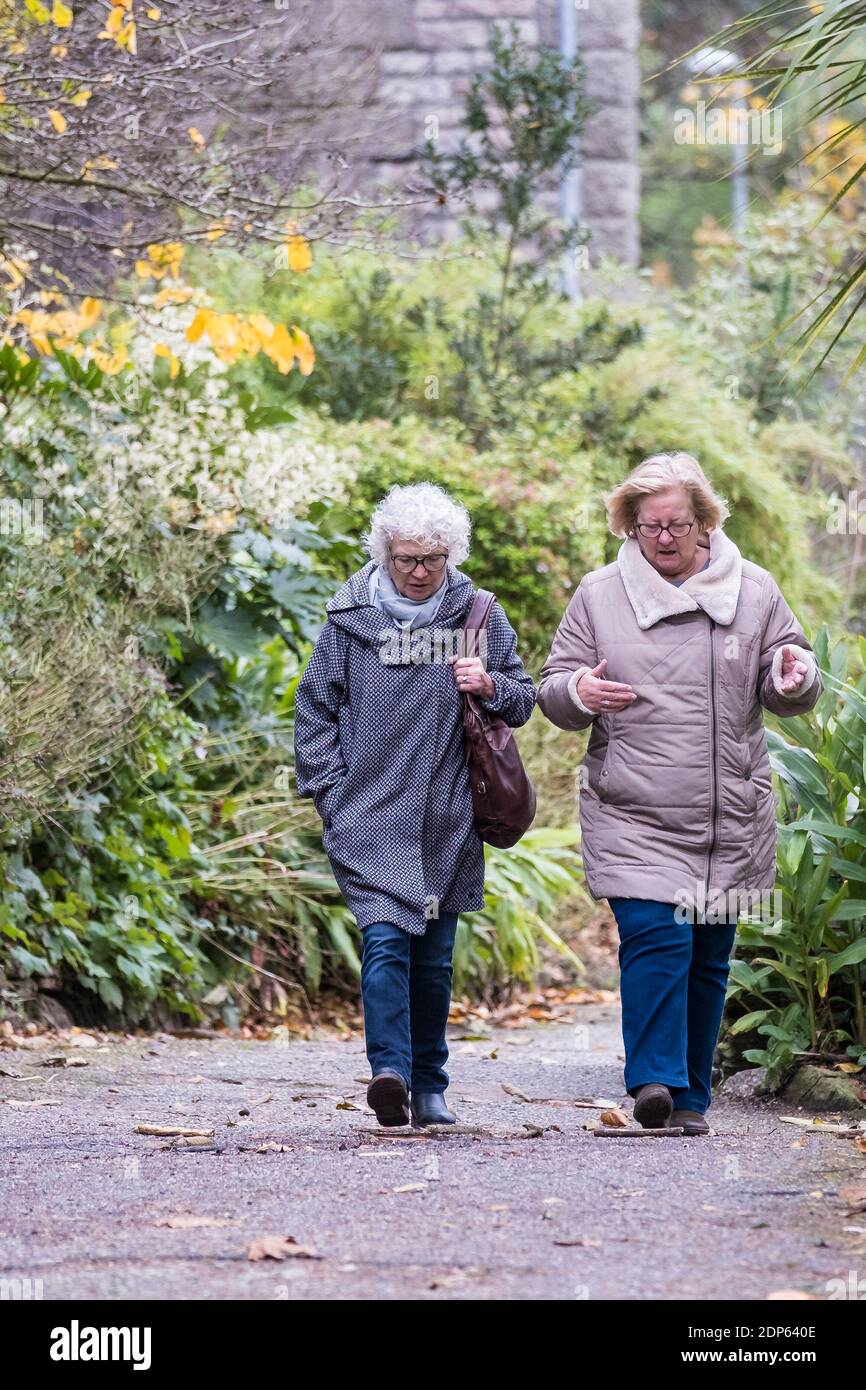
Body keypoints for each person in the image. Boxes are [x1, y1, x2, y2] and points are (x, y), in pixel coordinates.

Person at [537, 452, 821, 1135]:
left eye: (677, 524)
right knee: (655, 937)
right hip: (633, 807)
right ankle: (654, 1081)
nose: (663, 538)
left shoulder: (753, 590)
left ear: (705, 522)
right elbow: (553, 686)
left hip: (728, 812)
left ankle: (691, 1099)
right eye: (648, 526)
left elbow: (792, 676)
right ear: (629, 528)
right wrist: (578, 691)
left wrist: (793, 676)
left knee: (707, 954)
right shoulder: (600, 594)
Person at [294, 482, 536, 1126]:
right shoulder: (350, 621)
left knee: (432, 962)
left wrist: (489, 683)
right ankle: (390, 1074)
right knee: (384, 946)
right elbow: (314, 706)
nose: (421, 571)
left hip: (446, 815)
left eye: (433, 558)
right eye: (407, 559)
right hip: (368, 815)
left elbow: (523, 699)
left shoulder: (477, 615)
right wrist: (328, 791)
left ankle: (431, 1086)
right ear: (385, 555)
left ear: (451, 555)